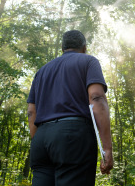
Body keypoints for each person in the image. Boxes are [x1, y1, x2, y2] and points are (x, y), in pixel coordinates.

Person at [27, 30, 113, 186]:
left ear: (62, 48)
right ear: (84, 48)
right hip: (73, 137)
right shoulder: (88, 61)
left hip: (40, 140)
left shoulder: (41, 72)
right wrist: (106, 149)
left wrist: (37, 142)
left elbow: (31, 112)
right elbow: (97, 98)